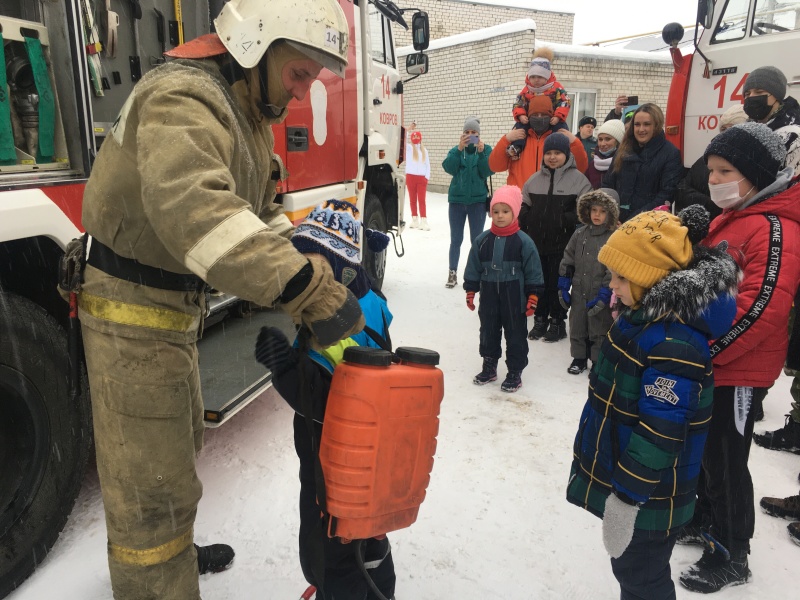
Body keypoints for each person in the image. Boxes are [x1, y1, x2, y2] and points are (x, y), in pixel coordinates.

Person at [72, 1, 365, 597]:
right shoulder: (182, 98)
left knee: (174, 450)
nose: (302, 94)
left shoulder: (245, 111)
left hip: (168, 314)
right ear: (257, 45)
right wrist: (306, 290)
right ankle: (157, 577)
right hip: (131, 313)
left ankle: (169, 554)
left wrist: (317, 265)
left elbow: (253, 219)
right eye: (299, 74)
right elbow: (197, 214)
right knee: (150, 489)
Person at [566, 207, 739, 600]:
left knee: (641, 576)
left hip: (650, 496)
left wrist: (627, 498)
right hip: (639, 486)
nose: (613, 285)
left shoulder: (673, 344)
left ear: (652, 279)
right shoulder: (643, 319)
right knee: (633, 570)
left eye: (622, 277)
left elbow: (659, 434)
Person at [678, 122, 800, 594]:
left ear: (754, 174)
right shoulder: (732, 219)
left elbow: (762, 307)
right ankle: (704, 522)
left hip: (738, 371)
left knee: (728, 462)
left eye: (724, 170)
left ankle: (731, 552)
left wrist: (708, 355)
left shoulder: (775, 229)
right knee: (705, 453)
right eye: (710, 171)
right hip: (712, 363)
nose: (714, 180)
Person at [254, 200, 396, 600]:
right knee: (368, 533)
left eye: (309, 262)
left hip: (334, 467)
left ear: (339, 269)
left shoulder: (333, 325)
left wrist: (283, 366)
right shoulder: (368, 302)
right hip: (370, 463)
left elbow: (332, 406)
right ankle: (380, 589)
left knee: (333, 544)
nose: (301, 271)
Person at [463, 185, 544, 393]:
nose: (499, 216)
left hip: (514, 295)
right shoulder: (482, 240)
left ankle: (515, 371)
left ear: (515, 212)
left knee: (515, 334)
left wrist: (533, 295)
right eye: (495, 211)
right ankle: (489, 366)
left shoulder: (524, 242)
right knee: (488, 331)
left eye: (505, 211)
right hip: (489, 294)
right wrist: (471, 290)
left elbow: (533, 271)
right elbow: (473, 267)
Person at [519, 133, 592, 342]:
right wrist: (530, 217)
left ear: (566, 154)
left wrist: (563, 218)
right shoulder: (534, 180)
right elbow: (523, 206)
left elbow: (586, 211)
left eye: (557, 153)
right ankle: (540, 318)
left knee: (558, 284)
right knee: (538, 283)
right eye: (548, 153)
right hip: (536, 244)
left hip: (564, 244)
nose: (552, 157)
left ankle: (557, 321)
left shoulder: (579, 180)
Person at [557, 189, 619, 375]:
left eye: (602, 211)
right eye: (594, 210)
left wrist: (605, 294)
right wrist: (563, 284)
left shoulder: (614, 237)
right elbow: (568, 259)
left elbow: (614, 268)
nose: (597, 215)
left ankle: (597, 360)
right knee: (577, 324)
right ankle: (579, 357)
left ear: (610, 213)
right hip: (579, 289)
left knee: (599, 326)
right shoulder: (579, 234)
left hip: (600, 290)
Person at [602, 103, 683, 222]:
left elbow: (666, 194)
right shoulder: (623, 149)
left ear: (656, 125)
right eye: (637, 124)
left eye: (647, 124)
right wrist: (611, 216)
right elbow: (608, 185)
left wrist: (635, 218)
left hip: (648, 223)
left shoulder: (670, 153)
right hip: (616, 222)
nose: (641, 129)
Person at [490, 95, 588, 189]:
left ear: (551, 117)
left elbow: (581, 168)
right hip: (520, 200)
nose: (539, 118)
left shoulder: (558, 140)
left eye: (544, 115)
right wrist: (506, 139)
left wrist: (575, 143)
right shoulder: (518, 139)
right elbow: (495, 166)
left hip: (549, 201)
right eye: (535, 115)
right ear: (528, 117)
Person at [442, 116, 493, 288]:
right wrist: (458, 149)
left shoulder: (486, 150)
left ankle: (474, 273)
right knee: (455, 239)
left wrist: (481, 154)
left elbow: (487, 171)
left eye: (474, 133)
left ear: (479, 134)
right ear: (462, 134)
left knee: (476, 240)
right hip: (456, 202)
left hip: (477, 203)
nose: (470, 135)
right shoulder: (456, 150)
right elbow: (449, 168)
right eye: (467, 132)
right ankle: (452, 272)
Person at [674, 104, 748, 219]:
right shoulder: (707, 158)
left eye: (733, 128)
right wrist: (710, 203)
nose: (727, 133)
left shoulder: (748, 163)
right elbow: (682, 190)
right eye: (723, 129)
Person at [508, 46, 571, 159]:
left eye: (540, 77)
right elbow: (518, 103)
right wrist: (521, 115)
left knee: (561, 128)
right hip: (531, 119)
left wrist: (558, 116)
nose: (536, 80)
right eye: (533, 77)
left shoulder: (555, 88)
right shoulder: (527, 89)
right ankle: (516, 148)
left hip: (551, 119)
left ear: (546, 76)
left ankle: (564, 150)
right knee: (520, 128)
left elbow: (564, 102)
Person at [742, 66, 800, 172]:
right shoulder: (744, 131)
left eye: (759, 92)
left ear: (777, 96)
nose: (751, 97)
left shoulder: (793, 136)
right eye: (747, 94)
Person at [585, 119, 625, 189]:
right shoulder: (592, 165)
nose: (603, 144)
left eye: (608, 139)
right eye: (600, 139)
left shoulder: (624, 164)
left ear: (618, 141)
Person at [406, 129, 431, 230]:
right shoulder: (408, 148)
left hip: (421, 178)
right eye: (414, 137)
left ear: (421, 138)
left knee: (421, 200)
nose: (416, 139)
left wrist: (426, 177)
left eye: (417, 137)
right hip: (410, 177)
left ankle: (423, 220)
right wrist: (408, 129)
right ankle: (414, 219)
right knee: (412, 200)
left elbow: (428, 165)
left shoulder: (424, 151)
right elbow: (402, 139)